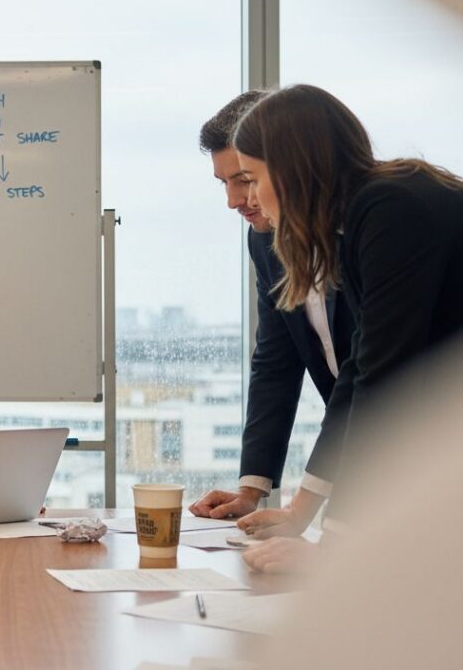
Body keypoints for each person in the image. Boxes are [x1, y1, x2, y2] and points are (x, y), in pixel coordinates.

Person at [233, 83, 463, 546]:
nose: (251, 197)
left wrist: (337, 545)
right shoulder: (363, 215)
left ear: (292, 169)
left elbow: (385, 375)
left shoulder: (389, 209)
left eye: (253, 177)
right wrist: (303, 511)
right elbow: (359, 369)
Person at [188, 91, 354, 521]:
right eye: (224, 183)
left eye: (244, 179)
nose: (234, 200)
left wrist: (304, 512)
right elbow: (276, 358)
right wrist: (252, 487)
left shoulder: (369, 224)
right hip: (366, 436)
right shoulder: (264, 239)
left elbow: (372, 371)